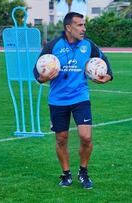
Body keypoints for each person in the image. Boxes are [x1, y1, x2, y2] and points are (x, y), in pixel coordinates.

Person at [33, 12, 113, 189]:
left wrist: (106, 78)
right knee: (61, 138)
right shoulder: (53, 46)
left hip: (80, 97)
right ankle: (66, 174)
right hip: (58, 100)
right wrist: (43, 78)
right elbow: (36, 71)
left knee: (86, 137)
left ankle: (83, 172)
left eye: (84, 25)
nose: (83, 29)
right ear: (68, 27)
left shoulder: (88, 45)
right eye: (79, 25)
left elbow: (106, 64)